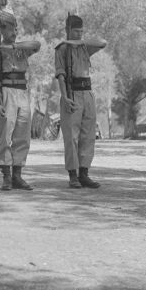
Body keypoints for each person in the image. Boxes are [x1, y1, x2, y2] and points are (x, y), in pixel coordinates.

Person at [0, 9, 40, 191]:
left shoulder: (22, 50)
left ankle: (18, 175)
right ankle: (6, 176)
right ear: (1, 30)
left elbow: (37, 44)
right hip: (6, 93)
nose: (14, 32)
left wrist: (15, 47)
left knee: (22, 136)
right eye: (10, 29)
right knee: (5, 136)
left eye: (16, 29)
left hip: (23, 93)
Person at [55, 14, 106, 189]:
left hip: (87, 93)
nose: (79, 34)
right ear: (67, 31)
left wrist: (78, 41)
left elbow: (102, 43)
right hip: (72, 93)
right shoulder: (61, 49)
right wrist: (65, 97)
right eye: (75, 31)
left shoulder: (85, 47)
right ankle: (73, 175)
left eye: (81, 31)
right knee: (71, 137)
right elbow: (60, 76)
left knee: (88, 135)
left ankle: (84, 173)